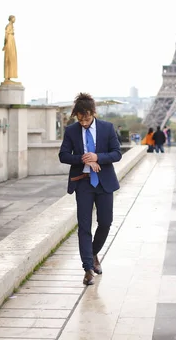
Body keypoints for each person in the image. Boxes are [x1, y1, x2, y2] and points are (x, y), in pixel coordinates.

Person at [58, 93, 122, 286]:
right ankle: (87, 268)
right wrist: (83, 158)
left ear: (93, 113)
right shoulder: (71, 131)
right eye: (80, 118)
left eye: (86, 118)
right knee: (84, 227)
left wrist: (97, 157)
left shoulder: (107, 128)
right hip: (83, 183)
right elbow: (63, 155)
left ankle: (93, 253)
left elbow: (117, 153)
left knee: (105, 222)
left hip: (104, 183)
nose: (84, 122)